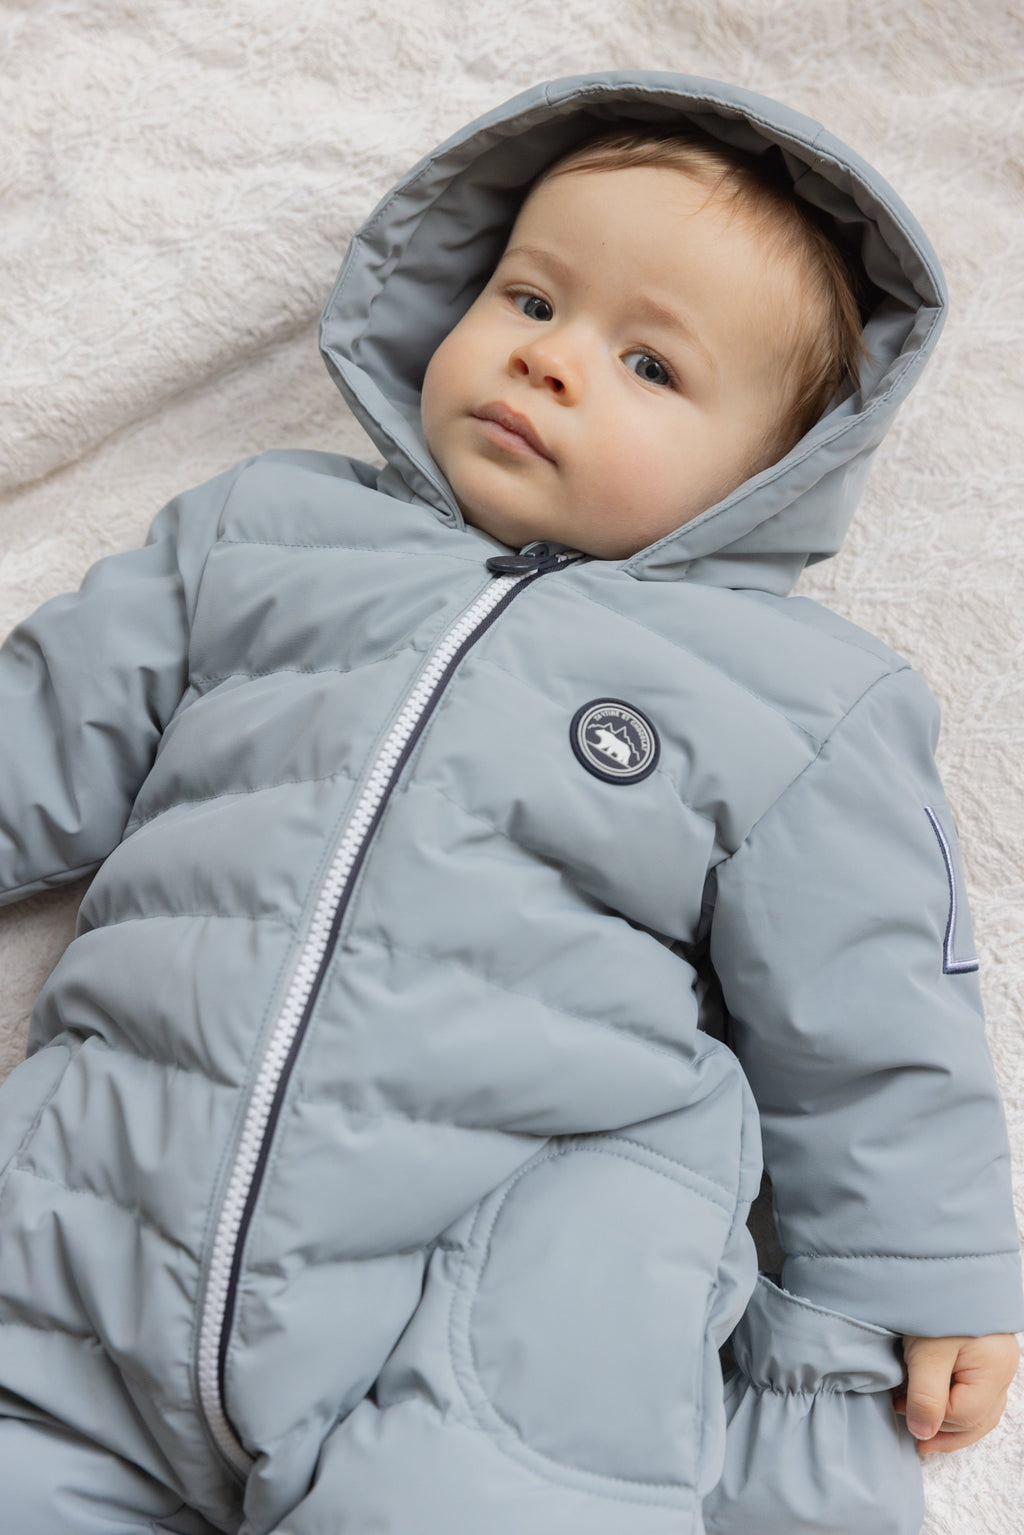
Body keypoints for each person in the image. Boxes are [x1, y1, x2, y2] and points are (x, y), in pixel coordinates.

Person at [0, 70, 1019, 1535]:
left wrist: (922, 1271)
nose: (550, 361)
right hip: (90, 1250)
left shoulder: (798, 698)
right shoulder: (265, 532)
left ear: (773, 472)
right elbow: (47, 723)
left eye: (651, 365)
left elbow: (874, 1006)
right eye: (531, 301)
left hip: (491, 1314)